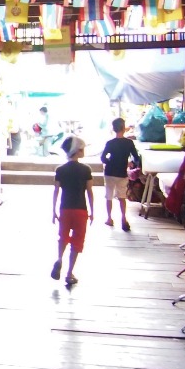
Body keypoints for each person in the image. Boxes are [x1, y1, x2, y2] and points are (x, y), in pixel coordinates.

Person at [51, 135, 94, 286]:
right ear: (76, 151)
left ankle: (59, 258)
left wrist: (53, 210)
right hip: (81, 209)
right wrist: (93, 210)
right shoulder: (86, 170)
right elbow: (89, 192)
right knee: (77, 242)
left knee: (63, 237)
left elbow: (56, 191)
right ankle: (69, 273)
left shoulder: (60, 170)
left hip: (65, 208)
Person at [100, 117, 142, 231]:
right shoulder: (129, 143)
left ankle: (109, 219)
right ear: (124, 128)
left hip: (109, 172)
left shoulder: (110, 143)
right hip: (122, 173)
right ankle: (123, 219)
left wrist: (111, 162)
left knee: (109, 196)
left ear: (113, 129)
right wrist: (131, 164)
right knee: (122, 197)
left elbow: (103, 158)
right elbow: (136, 158)